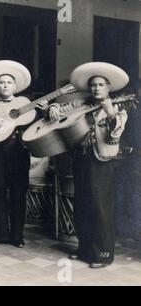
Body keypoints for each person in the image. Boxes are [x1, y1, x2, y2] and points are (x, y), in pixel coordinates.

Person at [47, 62, 132, 268]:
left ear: (108, 87)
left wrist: (110, 113)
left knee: (100, 207)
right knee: (82, 205)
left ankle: (103, 254)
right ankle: (84, 248)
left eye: (101, 84)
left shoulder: (119, 105)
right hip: (82, 158)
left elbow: (116, 133)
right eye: (93, 85)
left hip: (101, 160)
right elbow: (61, 107)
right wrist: (53, 108)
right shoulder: (82, 103)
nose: (96, 88)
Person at [0, 60, 47, 248]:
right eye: (2, 82)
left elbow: (37, 125)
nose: (5, 85)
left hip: (19, 153)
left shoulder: (24, 104)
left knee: (18, 195)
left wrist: (45, 110)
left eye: (9, 82)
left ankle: (17, 236)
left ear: (15, 86)